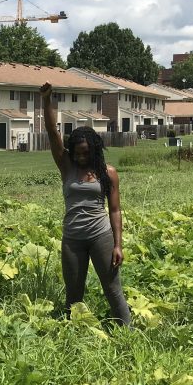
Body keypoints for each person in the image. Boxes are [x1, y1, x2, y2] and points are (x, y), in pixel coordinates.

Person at [40, 83, 132, 326]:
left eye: (85, 153)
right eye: (76, 153)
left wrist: (118, 245)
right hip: (72, 238)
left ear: (94, 150)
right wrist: (47, 101)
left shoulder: (108, 173)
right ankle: (74, 334)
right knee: (73, 293)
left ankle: (128, 333)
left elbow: (114, 210)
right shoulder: (66, 166)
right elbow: (52, 133)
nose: (80, 157)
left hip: (100, 235)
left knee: (112, 289)